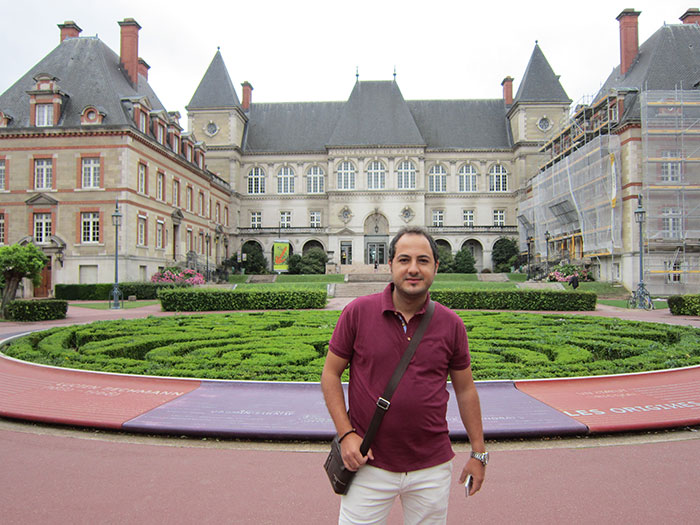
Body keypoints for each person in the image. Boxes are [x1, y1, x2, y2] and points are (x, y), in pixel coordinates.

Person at [321, 227, 487, 524]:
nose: (413, 269)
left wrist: (478, 453)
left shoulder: (451, 324)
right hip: (367, 462)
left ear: (436, 267)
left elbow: (465, 390)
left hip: (431, 467)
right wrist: (346, 435)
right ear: (390, 265)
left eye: (423, 260)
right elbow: (330, 374)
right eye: (404, 260)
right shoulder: (358, 312)